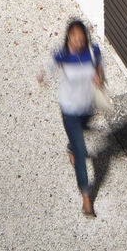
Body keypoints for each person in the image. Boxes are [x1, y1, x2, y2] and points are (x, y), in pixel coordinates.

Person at [40, 18, 105, 216]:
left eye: (81, 38)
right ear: (68, 37)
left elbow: (99, 66)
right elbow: (51, 65)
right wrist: (43, 75)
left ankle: (71, 146)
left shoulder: (92, 52)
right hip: (68, 108)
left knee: (82, 131)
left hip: (86, 107)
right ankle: (86, 197)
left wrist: (99, 77)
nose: (78, 42)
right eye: (74, 38)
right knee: (80, 149)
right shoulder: (63, 54)